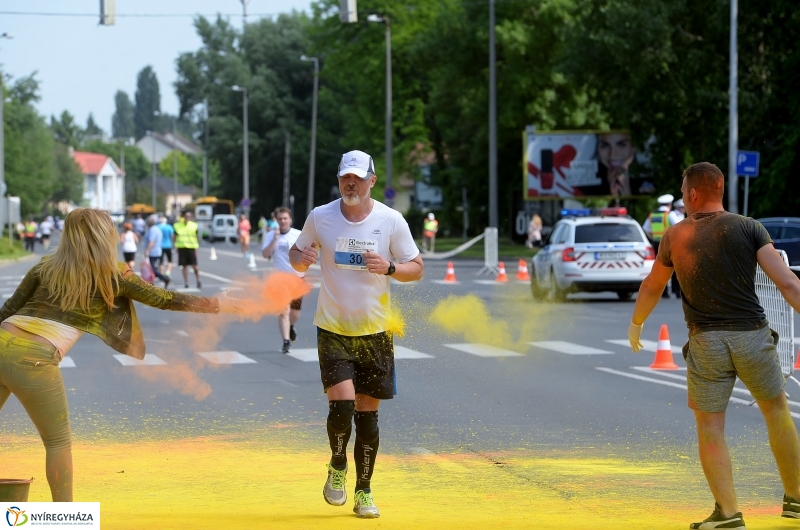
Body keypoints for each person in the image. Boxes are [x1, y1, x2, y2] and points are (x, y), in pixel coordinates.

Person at [0, 208, 242, 501]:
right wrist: (217, 304)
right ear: (105, 236)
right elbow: (165, 299)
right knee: (57, 442)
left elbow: (8, 309)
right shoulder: (113, 274)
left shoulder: (45, 266)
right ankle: (64, 517)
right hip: (35, 358)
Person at [628, 162, 800, 530]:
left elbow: (652, 286)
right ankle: (796, 498)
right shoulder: (749, 227)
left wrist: (637, 323)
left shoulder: (675, 236)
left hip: (706, 342)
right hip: (752, 335)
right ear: (720, 189)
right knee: (777, 412)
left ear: (692, 193)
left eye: (683, 192)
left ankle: (728, 514)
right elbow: (788, 283)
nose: (683, 198)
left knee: (710, 428)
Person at [290, 150, 424, 519]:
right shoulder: (320, 216)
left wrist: (390, 267)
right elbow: (296, 254)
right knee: (342, 405)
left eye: (357, 178)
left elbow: (416, 268)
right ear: (339, 180)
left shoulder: (390, 220)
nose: (351, 184)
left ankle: (364, 490)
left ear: (371, 181)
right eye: (345, 178)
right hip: (333, 327)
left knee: (367, 416)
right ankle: (337, 464)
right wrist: (301, 259)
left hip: (376, 331)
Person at [262, 207, 303, 354]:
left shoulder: (298, 235)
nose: (283, 221)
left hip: (297, 279)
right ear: (276, 220)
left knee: (295, 314)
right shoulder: (271, 235)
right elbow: (265, 254)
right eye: (280, 219)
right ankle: (286, 341)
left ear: (290, 220)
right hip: (280, 279)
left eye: (285, 218)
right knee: (283, 311)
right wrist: (275, 239)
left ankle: (291, 326)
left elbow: (307, 254)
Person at [174, 211, 201, 289]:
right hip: (182, 247)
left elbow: (197, 236)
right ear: (183, 216)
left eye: (189, 216)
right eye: (186, 216)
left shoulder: (194, 225)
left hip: (191, 247)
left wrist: (197, 244)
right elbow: (175, 236)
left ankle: (198, 279)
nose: (188, 217)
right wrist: (175, 245)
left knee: (194, 266)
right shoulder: (177, 225)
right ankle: (186, 282)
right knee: (184, 266)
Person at [144, 215, 170, 288]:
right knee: (152, 268)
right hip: (156, 250)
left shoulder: (152, 230)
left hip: (153, 251)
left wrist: (147, 251)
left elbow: (151, 242)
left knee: (152, 268)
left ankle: (164, 278)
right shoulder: (156, 228)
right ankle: (152, 282)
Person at [667, 198, 686, 298]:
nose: (684, 209)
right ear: (678, 207)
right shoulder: (672, 214)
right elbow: (678, 226)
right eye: (683, 207)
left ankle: (677, 290)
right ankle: (675, 290)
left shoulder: (681, 215)